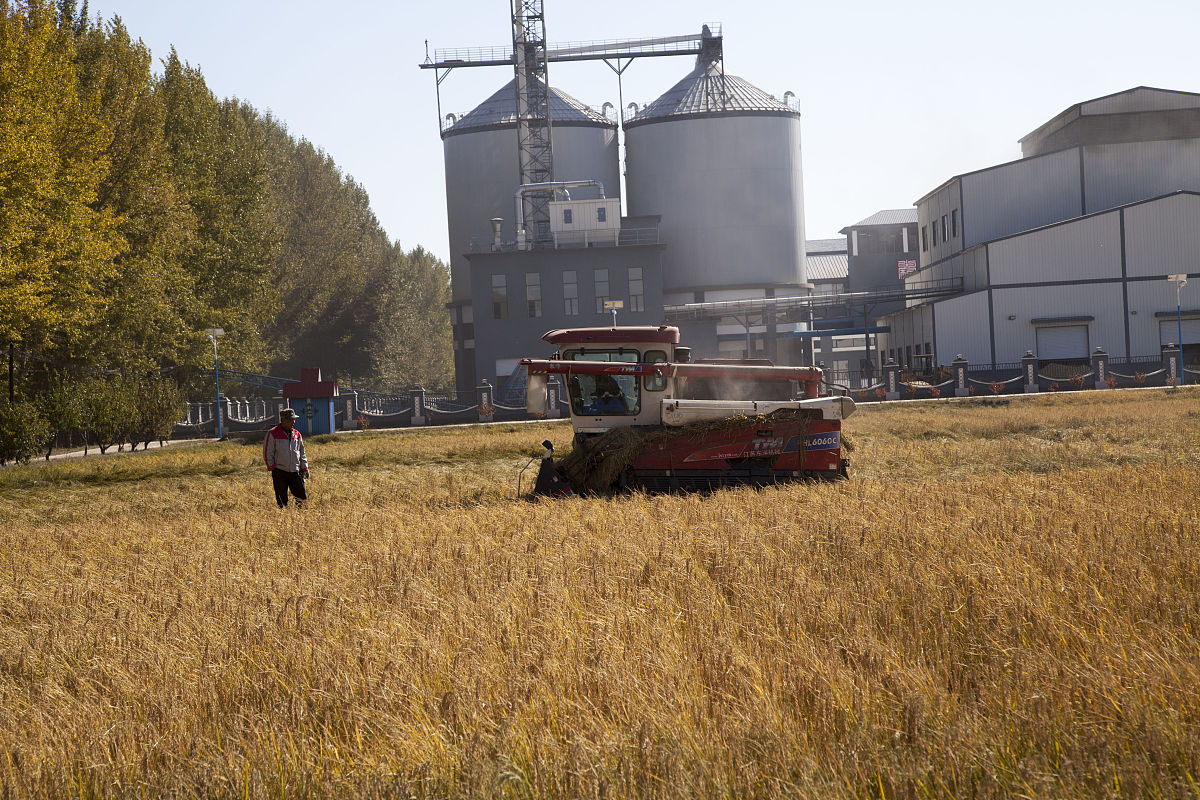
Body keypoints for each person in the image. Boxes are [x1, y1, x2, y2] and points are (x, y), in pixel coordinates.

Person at [264, 408, 309, 508]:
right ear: (283, 420)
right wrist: (272, 467)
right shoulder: (273, 433)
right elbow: (268, 452)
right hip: (280, 472)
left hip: (295, 471)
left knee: (302, 499)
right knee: (282, 501)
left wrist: (304, 468)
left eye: (294, 419)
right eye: (290, 419)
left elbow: (302, 452)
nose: (293, 422)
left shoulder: (297, 434)